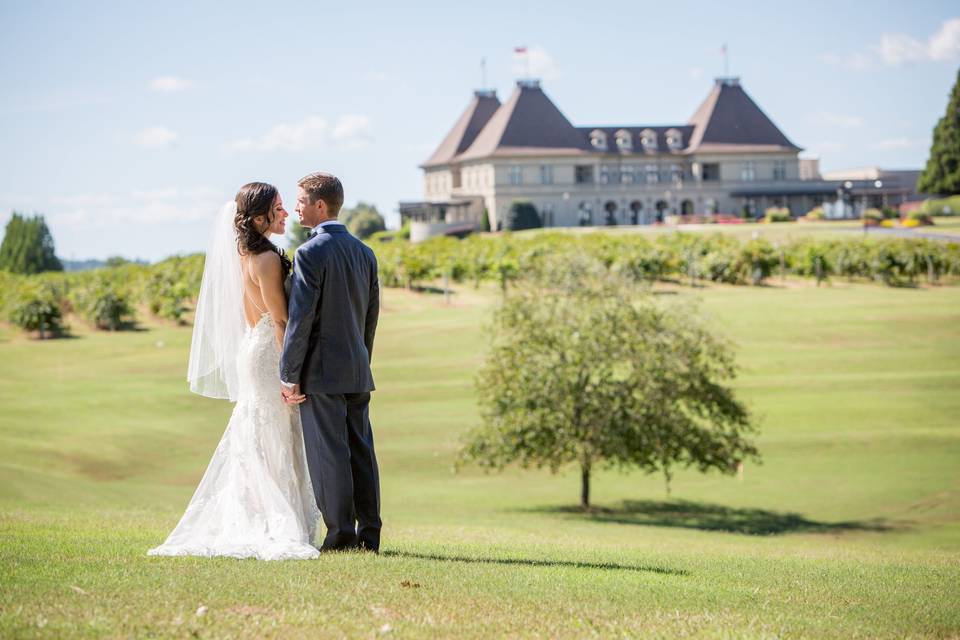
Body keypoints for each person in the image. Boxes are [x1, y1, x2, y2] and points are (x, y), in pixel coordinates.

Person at [148, 182, 319, 561]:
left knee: (259, 432)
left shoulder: (244, 254)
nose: (286, 213)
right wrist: (290, 373)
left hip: (251, 347)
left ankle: (257, 511)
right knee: (274, 432)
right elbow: (280, 319)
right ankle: (277, 520)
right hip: (267, 354)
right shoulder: (268, 260)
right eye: (278, 208)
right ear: (259, 218)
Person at [280, 172, 382, 552]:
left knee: (329, 456)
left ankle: (340, 537)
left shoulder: (311, 253)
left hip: (321, 374)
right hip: (357, 369)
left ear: (319, 205)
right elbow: (370, 318)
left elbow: (300, 319)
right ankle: (369, 536)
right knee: (361, 452)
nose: (296, 208)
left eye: (301, 201)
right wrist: (361, 360)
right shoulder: (365, 252)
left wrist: (289, 374)